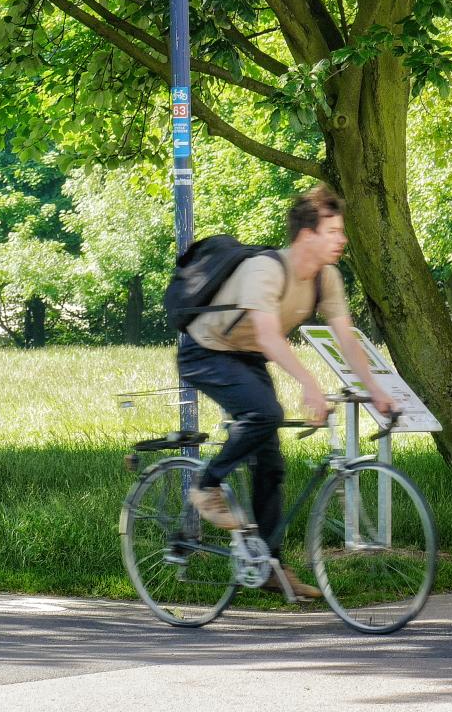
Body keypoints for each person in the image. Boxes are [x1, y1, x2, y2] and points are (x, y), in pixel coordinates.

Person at [178, 184, 394, 600]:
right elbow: (269, 335)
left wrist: (376, 390)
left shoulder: (326, 278)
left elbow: (346, 338)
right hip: (205, 352)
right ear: (306, 235)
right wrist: (310, 384)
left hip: (246, 355)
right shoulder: (266, 270)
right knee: (266, 414)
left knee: (272, 463)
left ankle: (270, 565)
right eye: (334, 231)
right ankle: (206, 485)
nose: (342, 239)